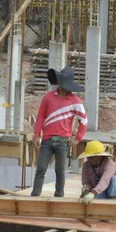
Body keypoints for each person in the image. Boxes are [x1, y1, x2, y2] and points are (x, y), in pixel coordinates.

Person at [31, 67, 88, 198]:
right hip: (47, 140)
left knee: (60, 171)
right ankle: (35, 195)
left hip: (63, 142)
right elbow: (40, 117)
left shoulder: (75, 101)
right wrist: (36, 135)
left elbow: (84, 121)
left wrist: (77, 139)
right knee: (40, 169)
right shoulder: (48, 97)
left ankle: (59, 196)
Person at [78, 140, 116, 205]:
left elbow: (105, 180)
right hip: (100, 191)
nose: (89, 159)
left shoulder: (109, 164)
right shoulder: (86, 165)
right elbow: (87, 182)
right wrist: (86, 188)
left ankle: (114, 203)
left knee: (115, 179)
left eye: (92, 157)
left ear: (99, 156)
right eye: (88, 157)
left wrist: (93, 193)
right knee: (93, 205)